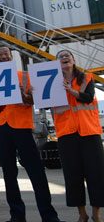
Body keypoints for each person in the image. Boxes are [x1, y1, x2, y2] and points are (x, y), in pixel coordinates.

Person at [0, 46, 62, 222]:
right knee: (9, 174)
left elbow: (36, 100)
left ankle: (49, 216)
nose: (3, 57)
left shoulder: (25, 76)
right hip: (2, 126)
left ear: (11, 58)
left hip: (22, 127)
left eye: (6, 55)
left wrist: (24, 95)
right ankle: (17, 216)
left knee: (36, 172)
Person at [52, 50, 104, 222]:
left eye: (68, 56)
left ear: (74, 60)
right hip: (67, 134)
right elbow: (46, 105)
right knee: (73, 176)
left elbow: (88, 98)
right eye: (61, 57)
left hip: (89, 132)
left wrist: (71, 91)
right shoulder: (52, 82)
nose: (65, 58)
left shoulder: (87, 78)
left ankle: (97, 212)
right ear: (57, 63)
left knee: (96, 174)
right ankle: (82, 213)